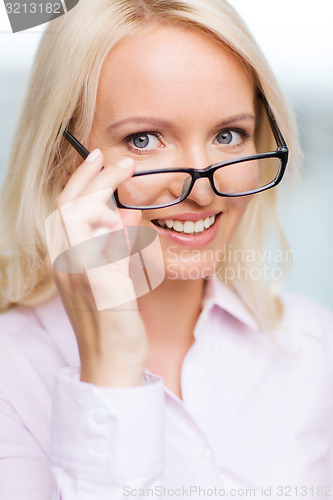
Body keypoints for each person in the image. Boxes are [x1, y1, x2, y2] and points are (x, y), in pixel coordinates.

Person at [0, 0, 332, 498]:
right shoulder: (11, 373)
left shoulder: (314, 350)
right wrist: (111, 368)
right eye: (144, 140)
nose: (202, 190)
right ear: (60, 157)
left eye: (228, 134)